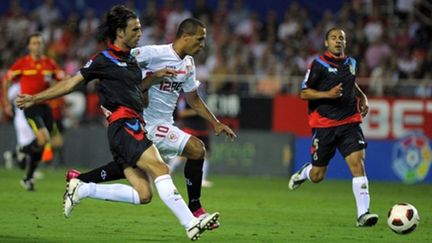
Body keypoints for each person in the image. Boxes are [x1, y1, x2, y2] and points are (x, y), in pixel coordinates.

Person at [16, 5, 218, 240]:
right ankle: (191, 222)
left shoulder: (133, 63)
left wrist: (153, 79)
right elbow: (71, 84)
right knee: (161, 169)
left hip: (135, 125)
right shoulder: (104, 59)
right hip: (124, 126)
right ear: (120, 32)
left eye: (140, 29)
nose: (140, 34)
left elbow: (138, 94)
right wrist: (35, 98)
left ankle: (82, 187)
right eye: (135, 29)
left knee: (144, 194)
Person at [65, 18, 236, 228]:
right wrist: (124, 91)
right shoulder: (152, 54)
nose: (202, 45)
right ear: (185, 36)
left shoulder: (188, 63)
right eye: (200, 40)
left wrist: (215, 122)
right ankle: (195, 211)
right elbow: (121, 64)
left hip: (166, 123)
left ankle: (80, 182)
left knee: (137, 181)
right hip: (145, 123)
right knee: (197, 149)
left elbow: (193, 99)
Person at [288, 27, 379, 227]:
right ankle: (305, 172)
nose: (338, 41)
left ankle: (363, 214)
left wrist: (362, 96)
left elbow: (350, 83)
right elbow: (304, 93)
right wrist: (327, 95)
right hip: (324, 125)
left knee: (358, 165)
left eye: (341, 38)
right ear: (326, 43)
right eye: (333, 38)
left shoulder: (352, 63)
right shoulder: (318, 64)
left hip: (349, 122)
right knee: (318, 176)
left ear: (345, 43)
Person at [2, 32, 65, 191]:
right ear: (29, 46)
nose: (37, 46)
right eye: (34, 43)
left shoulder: (49, 64)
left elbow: (63, 79)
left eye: (40, 43)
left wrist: (65, 80)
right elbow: (6, 80)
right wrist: (6, 104)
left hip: (46, 107)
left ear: (43, 45)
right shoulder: (22, 63)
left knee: (49, 143)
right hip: (30, 107)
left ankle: (27, 175)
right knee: (42, 139)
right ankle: (20, 153)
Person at [169, 83, 213, 188]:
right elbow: (181, 113)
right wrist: (196, 111)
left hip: (202, 129)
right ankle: (167, 173)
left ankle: (202, 179)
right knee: (182, 155)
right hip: (190, 128)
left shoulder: (202, 99)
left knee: (205, 153)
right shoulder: (184, 99)